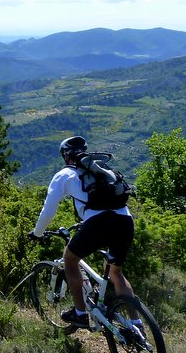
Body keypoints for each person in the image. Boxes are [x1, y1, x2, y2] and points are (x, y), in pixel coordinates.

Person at [28, 136, 137, 329]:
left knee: (70, 260)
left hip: (99, 223)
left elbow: (48, 210)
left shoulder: (65, 174)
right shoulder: (101, 169)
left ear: (65, 156)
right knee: (116, 272)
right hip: (126, 221)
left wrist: (37, 233)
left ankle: (79, 313)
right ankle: (137, 324)